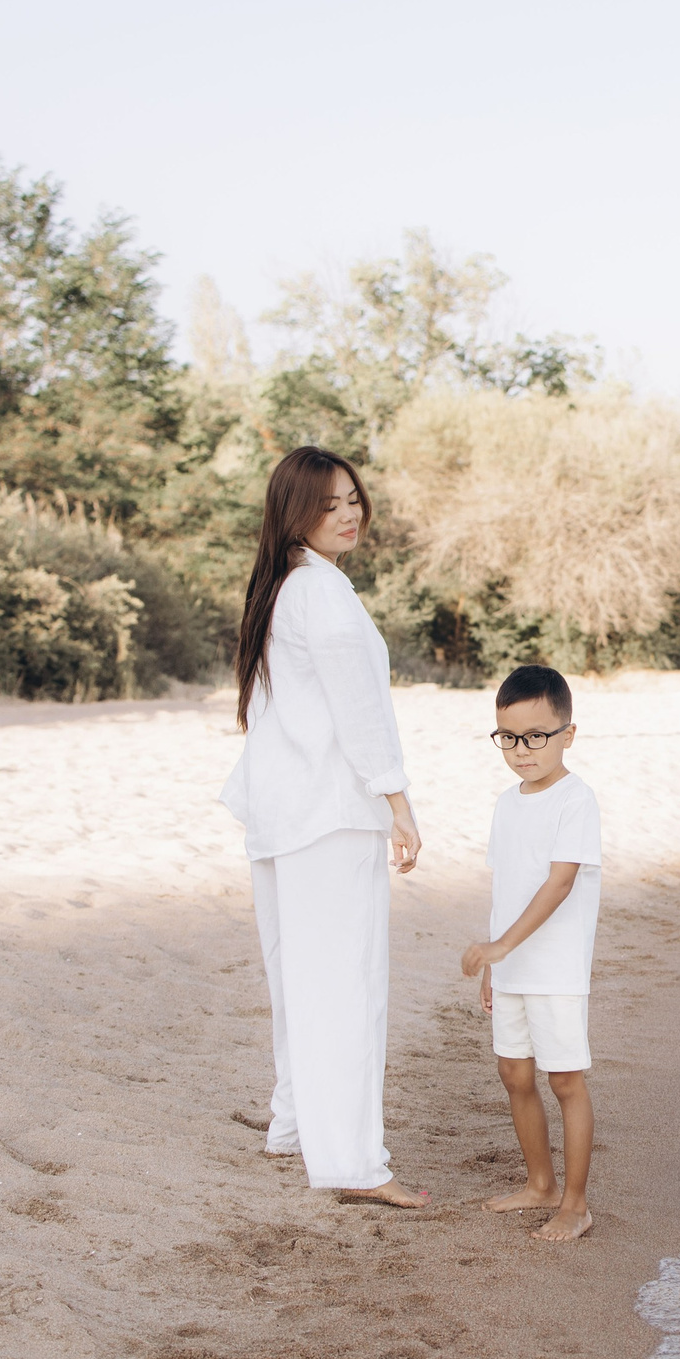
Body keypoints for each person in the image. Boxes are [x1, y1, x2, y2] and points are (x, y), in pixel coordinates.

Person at [219, 446, 428, 1209]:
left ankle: (296, 1124)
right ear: (295, 513)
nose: (348, 513)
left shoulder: (287, 588)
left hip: (282, 811)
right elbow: (359, 712)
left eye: (352, 498)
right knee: (345, 982)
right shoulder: (323, 592)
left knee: (298, 975)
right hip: (326, 812)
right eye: (329, 502)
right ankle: (355, 1163)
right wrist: (397, 801)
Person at [461, 664, 603, 1243]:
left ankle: (575, 1203)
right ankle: (540, 1184)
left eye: (536, 736)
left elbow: (558, 884)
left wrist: (501, 946)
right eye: (509, 738)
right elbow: (508, 887)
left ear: (567, 734)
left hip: (557, 970)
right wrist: (497, 963)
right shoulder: (506, 803)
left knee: (564, 1079)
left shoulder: (576, 800)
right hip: (514, 965)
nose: (523, 751)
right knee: (514, 1073)